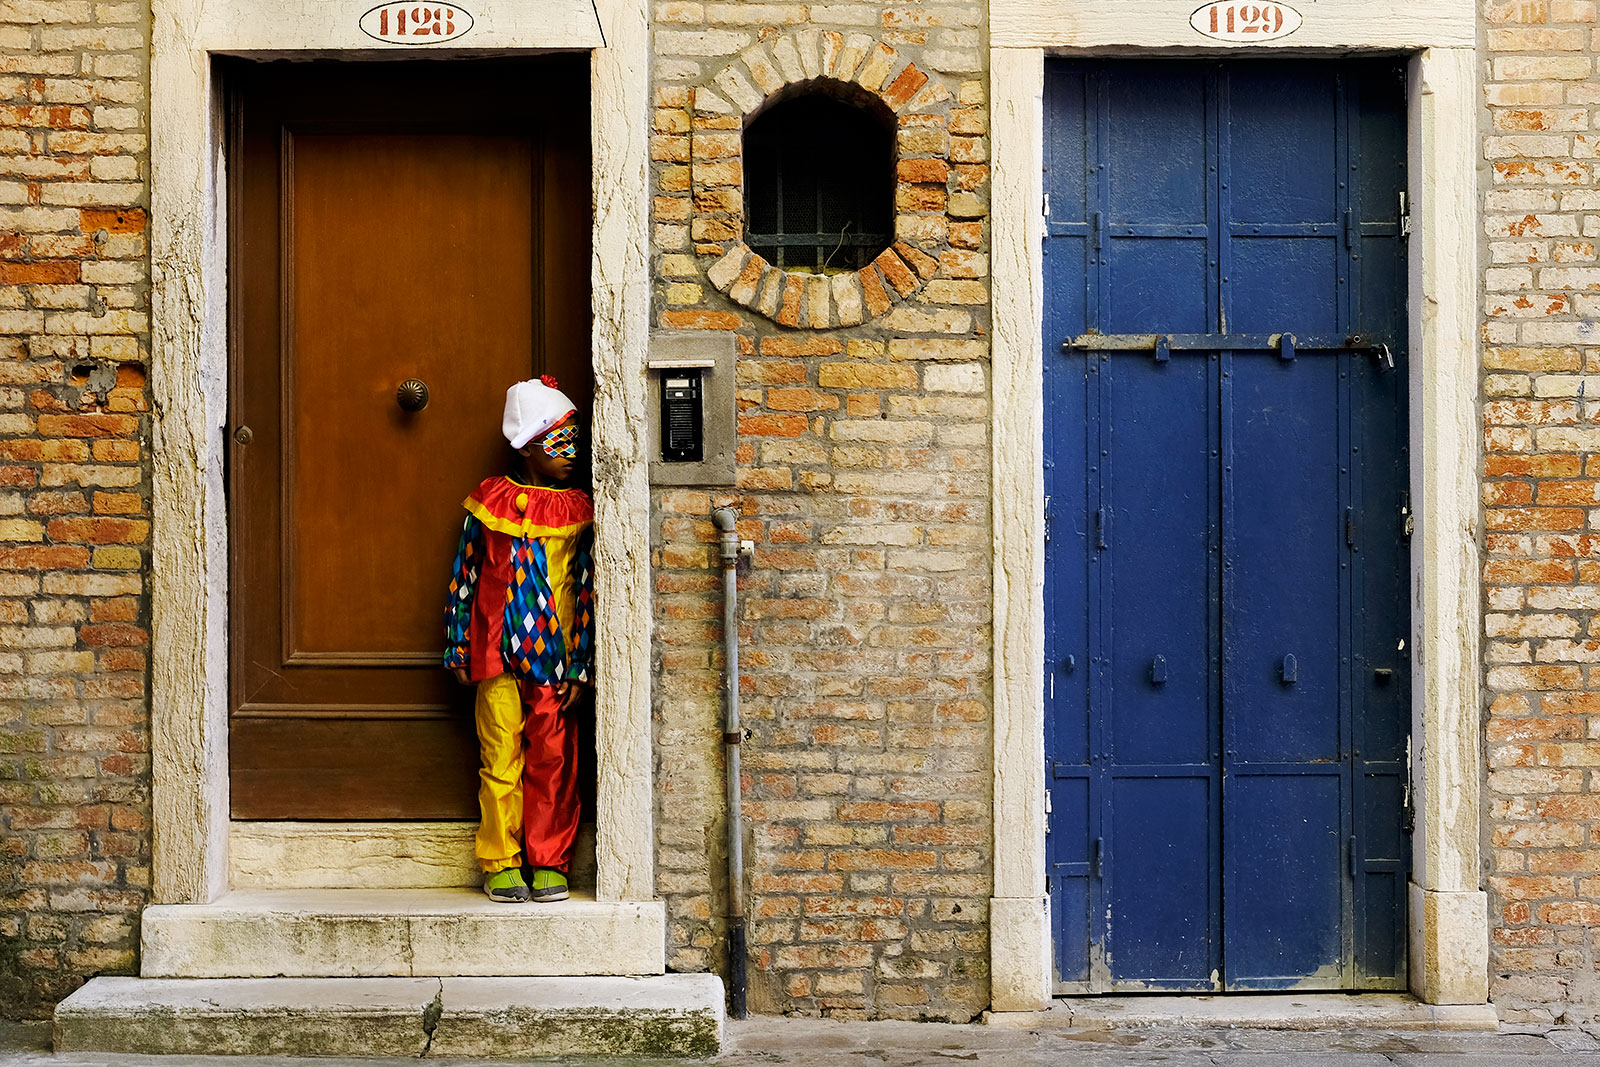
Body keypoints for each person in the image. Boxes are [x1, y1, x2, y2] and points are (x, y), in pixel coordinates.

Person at [444, 375, 594, 903]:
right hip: (494, 651)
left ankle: (549, 858)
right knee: (500, 755)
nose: (572, 454)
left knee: (553, 759)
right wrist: (458, 641)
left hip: (554, 658)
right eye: (560, 443)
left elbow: (588, 587)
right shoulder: (490, 504)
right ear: (528, 448)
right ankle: (501, 859)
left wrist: (582, 664)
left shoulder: (577, 510)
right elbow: (466, 573)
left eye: (576, 441)